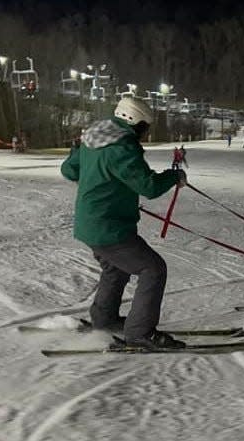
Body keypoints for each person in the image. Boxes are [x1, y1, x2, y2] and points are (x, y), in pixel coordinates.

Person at [61, 97, 188, 350]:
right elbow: (148, 186)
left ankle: (104, 319)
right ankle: (140, 333)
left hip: (90, 223)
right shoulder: (122, 145)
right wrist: (175, 175)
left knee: (115, 268)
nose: (144, 133)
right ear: (136, 123)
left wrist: (101, 181)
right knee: (152, 269)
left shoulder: (96, 136)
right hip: (109, 228)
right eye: (144, 127)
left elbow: (69, 170)